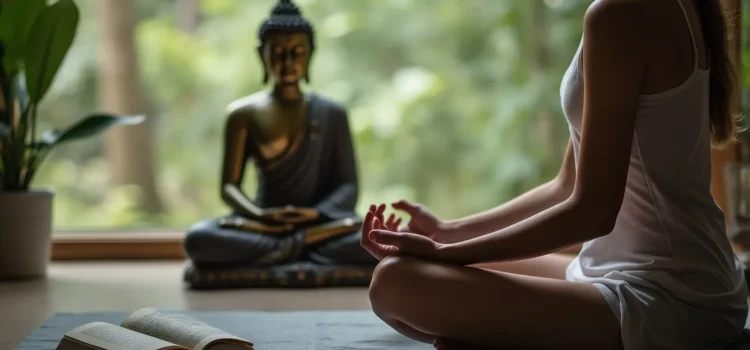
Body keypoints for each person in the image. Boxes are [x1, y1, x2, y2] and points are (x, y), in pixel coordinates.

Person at [361, 0, 748, 349]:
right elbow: (565, 185)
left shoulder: (622, 13)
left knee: (396, 283)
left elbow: (592, 212)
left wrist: (448, 253)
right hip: (637, 275)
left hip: (669, 298)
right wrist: (449, 232)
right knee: (407, 276)